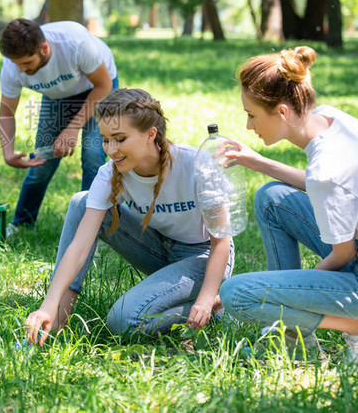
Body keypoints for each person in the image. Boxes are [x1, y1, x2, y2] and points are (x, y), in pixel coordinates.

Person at [218, 46, 358, 373]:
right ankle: (292, 341)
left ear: (283, 112)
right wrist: (257, 162)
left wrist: (285, 299)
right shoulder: (331, 118)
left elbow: (342, 254)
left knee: (238, 295)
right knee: (272, 199)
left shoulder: (326, 170)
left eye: (251, 114)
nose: (248, 126)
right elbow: (329, 189)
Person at [24, 89, 233, 345]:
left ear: (150, 134)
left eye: (120, 139)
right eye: (105, 140)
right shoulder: (111, 172)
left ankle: (217, 304)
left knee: (122, 322)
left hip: (204, 257)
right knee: (82, 202)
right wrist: (48, 304)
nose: (111, 149)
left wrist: (206, 296)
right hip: (159, 249)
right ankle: (57, 319)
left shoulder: (197, 165)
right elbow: (79, 247)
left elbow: (220, 242)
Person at [0, 18, 118, 234]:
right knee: (41, 162)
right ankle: (22, 223)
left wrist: (72, 128)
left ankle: (90, 230)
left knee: (92, 156)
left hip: (97, 88)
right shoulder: (13, 67)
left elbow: (104, 84)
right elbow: (6, 112)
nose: (21, 71)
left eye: (26, 63)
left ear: (44, 48)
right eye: (17, 64)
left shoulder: (75, 43)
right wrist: (7, 152)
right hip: (56, 97)